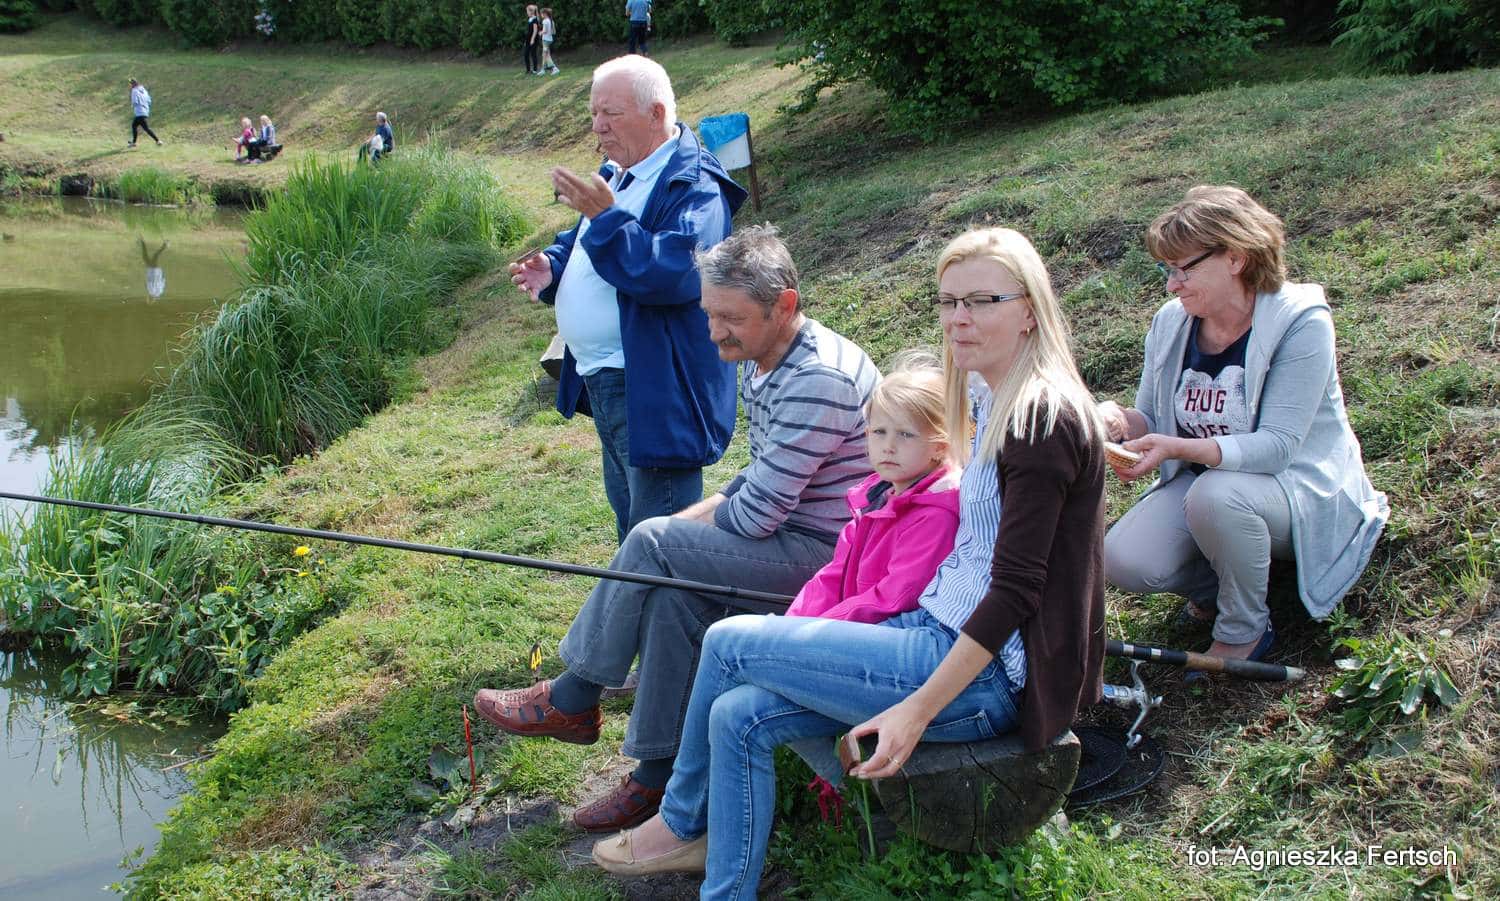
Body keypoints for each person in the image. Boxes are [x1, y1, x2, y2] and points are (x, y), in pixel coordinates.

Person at [588, 227, 1108, 896]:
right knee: (737, 713)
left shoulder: (1038, 420)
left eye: (982, 300)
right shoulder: (993, 393)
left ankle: (681, 821)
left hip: (984, 679)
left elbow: (1014, 592)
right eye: (949, 301)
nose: (958, 318)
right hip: (930, 630)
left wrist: (916, 711)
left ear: (1030, 309)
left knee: (727, 641)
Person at [476, 224, 880, 835]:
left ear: (784, 305)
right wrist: (680, 526)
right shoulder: (769, 356)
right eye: (709, 313)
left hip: (832, 561)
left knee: (653, 542)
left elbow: (758, 513)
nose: (714, 331)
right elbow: (755, 480)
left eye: (730, 317)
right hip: (795, 537)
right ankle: (656, 775)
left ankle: (573, 697)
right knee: (672, 590)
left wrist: (670, 534)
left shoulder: (817, 379)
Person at [1100, 185, 1388, 672]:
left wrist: (1177, 447)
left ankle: (1243, 629)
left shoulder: (1301, 321)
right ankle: (1223, 586)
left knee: (1216, 496)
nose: (1172, 285)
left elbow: (1277, 448)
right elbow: (1150, 416)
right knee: (1123, 558)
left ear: (1235, 257)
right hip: (1209, 491)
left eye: (1183, 269)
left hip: (1294, 489)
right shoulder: (1171, 323)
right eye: (1166, 270)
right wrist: (1112, 421)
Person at [506, 55, 746, 543]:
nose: (598, 126)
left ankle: (663, 598)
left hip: (656, 387)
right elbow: (582, 240)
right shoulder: (618, 173)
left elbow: (673, 272)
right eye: (594, 113)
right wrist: (554, 266)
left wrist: (606, 218)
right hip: (609, 380)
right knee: (631, 529)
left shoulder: (695, 184)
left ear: (656, 114)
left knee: (659, 544)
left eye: (610, 113)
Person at [783, 361, 961, 624]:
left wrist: (817, 629)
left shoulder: (935, 516)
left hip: (888, 634)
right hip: (849, 625)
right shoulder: (872, 498)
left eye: (905, 434)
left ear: (940, 446)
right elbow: (832, 577)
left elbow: (894, 598)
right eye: (879, 432)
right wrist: (791, 624)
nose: (888, 446)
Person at [127, 79, 162, 148]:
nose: (129, 86)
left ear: (132, 84)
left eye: (130, 84)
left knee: (146, 128)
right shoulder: (144, 90)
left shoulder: (134, 90)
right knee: (134, 125)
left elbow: (135, 101)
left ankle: (158, 141)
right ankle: (133, 142)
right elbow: (149, 100)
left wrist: (133, 106)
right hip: (145, 111)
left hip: (139, 112)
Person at [540, 8, 559, 75]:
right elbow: (554, 32)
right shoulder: (551, 21)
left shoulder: (545, 21)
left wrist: (540, 33)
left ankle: (554, 68)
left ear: (545, 14)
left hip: (545, 40)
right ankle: (543, 69)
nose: (541, 15)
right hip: (550, 39)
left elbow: (544, 31)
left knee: (546, 55)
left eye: (541, 14)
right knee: (545, 54)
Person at [524, 4, 542, 74]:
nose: (527, 13)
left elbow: (535, 30)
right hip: (528, 39)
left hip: (533, 40)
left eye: (527, 11)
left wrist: (532, 39)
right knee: (526, 54)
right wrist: (526, 40)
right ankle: (528, 70)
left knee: (533, 54)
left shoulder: (535, 19)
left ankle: (534, 70)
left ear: (531, 12)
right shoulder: (529, 19)